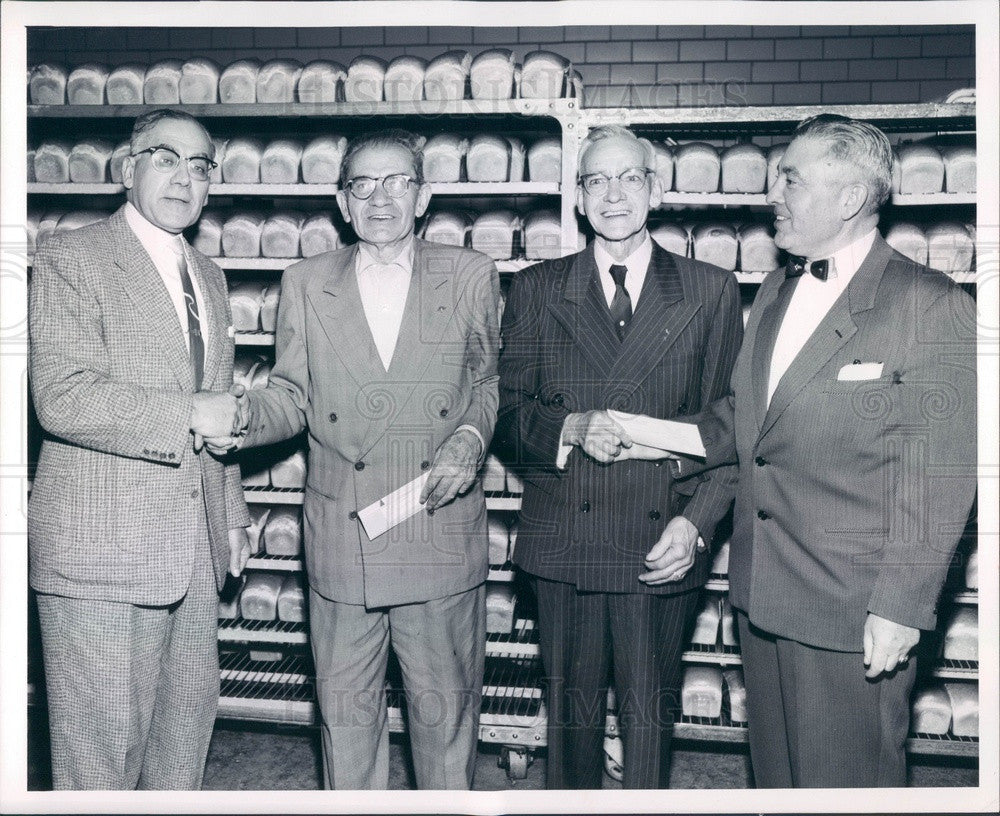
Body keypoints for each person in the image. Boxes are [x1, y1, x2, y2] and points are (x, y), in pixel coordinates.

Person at [677, 114, 977, 787]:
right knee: (779, 783)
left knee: (848, 786)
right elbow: (743, 426)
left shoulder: (928, 305)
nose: (771, 193)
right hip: (763, 596)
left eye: (791, 179)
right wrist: (625, 429)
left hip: (851, 612)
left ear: (849, 199)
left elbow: (941, 472)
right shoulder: (780, 289)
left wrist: (900, 606)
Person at [220, 129, 500, 789]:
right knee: (346, 728)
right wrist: (242, 414)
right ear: (343, 203)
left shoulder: (469, 275)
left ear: (423, 195)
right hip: (345, 537)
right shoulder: (305, 282)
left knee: (444, 724)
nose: (380, 198)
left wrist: (470, 437)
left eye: (396, 181)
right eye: (362, 185)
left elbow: (488, 384)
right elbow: (290, 396)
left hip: (435, 526)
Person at [494, 124, 744, 788]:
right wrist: (570, 425)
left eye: (629, 177)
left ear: (654, 189)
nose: (613, 194)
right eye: (596, 180)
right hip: (565, 542)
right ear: (578, 197)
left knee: (647, 732)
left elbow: (731, 431)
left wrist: (696, 525)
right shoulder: (537, 290)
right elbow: (505, 418)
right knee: (570, 735)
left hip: (660, 538)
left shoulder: (710, 291)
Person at [28, 109, 253, 790]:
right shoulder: (72, 257)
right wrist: (189, 411)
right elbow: (61, 397)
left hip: (191, 543)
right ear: (128, 170)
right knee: (101, 757)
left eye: (200, 166)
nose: (185, 178)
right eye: (165, 158)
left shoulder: (208, 275)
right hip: (98, 548)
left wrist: (233, 512)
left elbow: (215, 403)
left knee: (182, 737)